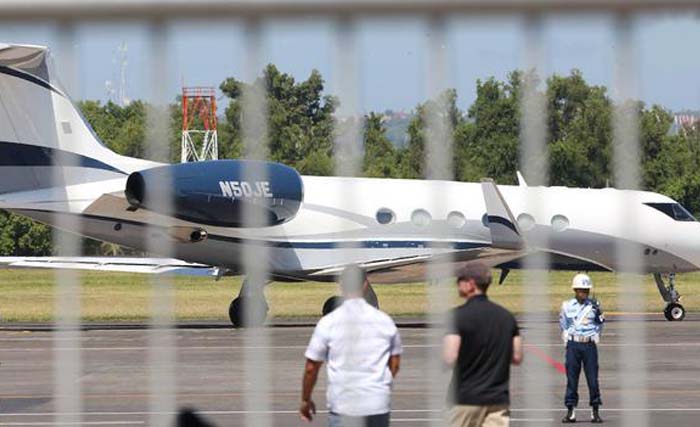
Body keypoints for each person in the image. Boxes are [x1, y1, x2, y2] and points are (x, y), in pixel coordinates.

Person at [299, 266, 402, 427]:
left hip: (344, 405)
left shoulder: (328, 323)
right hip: (377, 403)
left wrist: (306, 399)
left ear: (341, 285)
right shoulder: (384, 321)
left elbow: (311, 368)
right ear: (365, 284)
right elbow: (394, 363)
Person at [443, 262, 523, 427]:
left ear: (471, 284)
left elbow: (450, 357)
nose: (457, 284)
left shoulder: (457, 316)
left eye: (460, 280)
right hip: (497, 398)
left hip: (465, 398)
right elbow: (516, 357)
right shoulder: (506, 317)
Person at [559, 273, 605, 424]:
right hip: (574, 345)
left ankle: (595, 410)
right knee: (572, 379)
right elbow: (564, 324)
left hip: (589, 345)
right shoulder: (566, 306)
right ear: (575, 290)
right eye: (581, 290)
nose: (584, 293)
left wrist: (596, 336)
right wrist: (567, 338)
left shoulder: (594, 306)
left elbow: (599, 324)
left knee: (593, 380)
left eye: (586, 290)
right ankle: (570, 411)